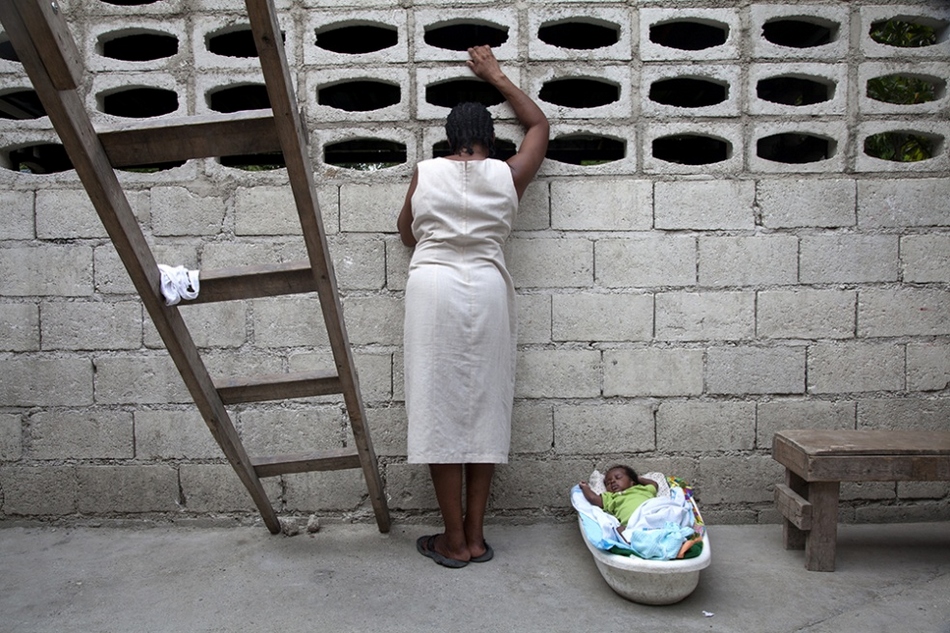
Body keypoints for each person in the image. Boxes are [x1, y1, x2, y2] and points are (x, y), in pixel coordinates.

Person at [398, 45, 549, 568]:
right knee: (485, 408)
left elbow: (405, 234)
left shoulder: (426, 172)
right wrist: (496, 76)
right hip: (487, 288)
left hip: (433, 288)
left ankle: (451, 539)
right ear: (488, 138)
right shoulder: (508, 175)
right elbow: (539, 125)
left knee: (438, 408)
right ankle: (477, 538)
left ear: (449, 138)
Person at [578, 465, 659, 525]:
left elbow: (654, 484)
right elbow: (593, 498)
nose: (612, 481)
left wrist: (637, 478)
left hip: (654, 514)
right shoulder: (611, 497)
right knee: (619, 530)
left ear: (632, 482)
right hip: (634, 523)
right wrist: (585, 488)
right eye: (608, 483)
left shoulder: (641, 489)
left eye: (618, 477)